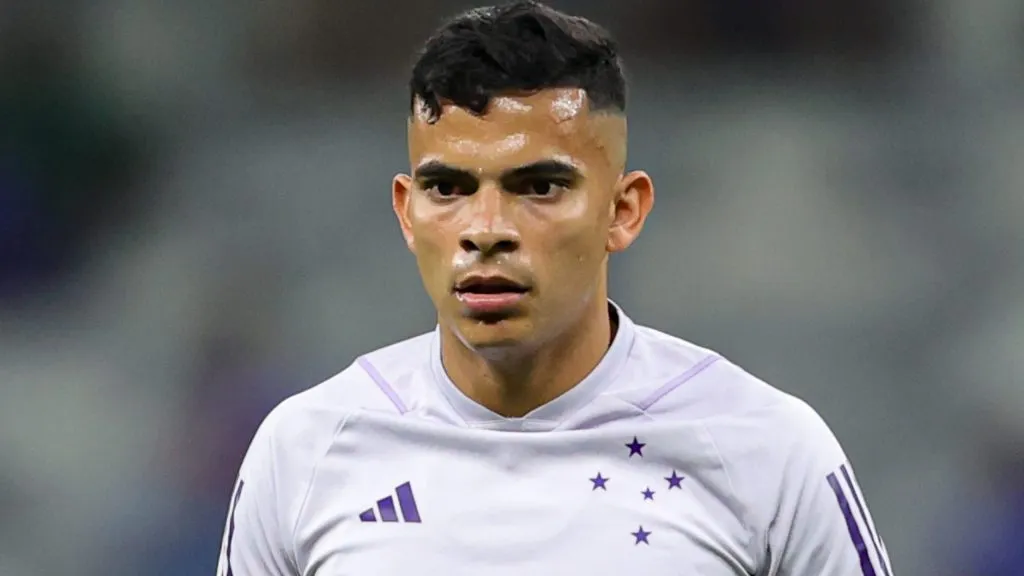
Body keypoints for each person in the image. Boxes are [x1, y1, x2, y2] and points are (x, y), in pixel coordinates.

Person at [215, 2, 893, 574]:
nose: (486, 230)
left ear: (623, 210)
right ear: (406, 211)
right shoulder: (306, 451)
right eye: (447, 188)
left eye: (538, 186)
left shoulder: (765, 451)